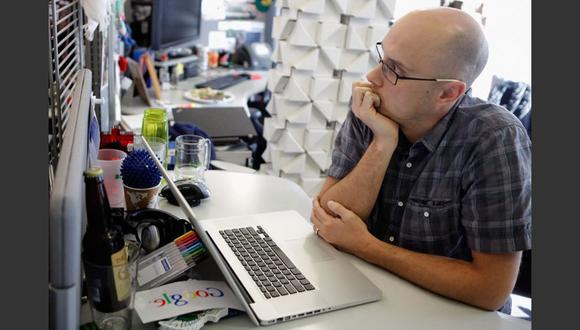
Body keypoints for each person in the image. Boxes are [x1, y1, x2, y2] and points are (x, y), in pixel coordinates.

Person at [311, 7, 531, 314]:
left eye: (394, 70)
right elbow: (328, 223)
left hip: (451, 316)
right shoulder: (374, 111)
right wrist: (383, 142)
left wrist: (368, 247)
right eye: (381, 58)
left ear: (448, 93)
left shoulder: (493, 137)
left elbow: (490, 289)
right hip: (368, 298)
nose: (372, 78)